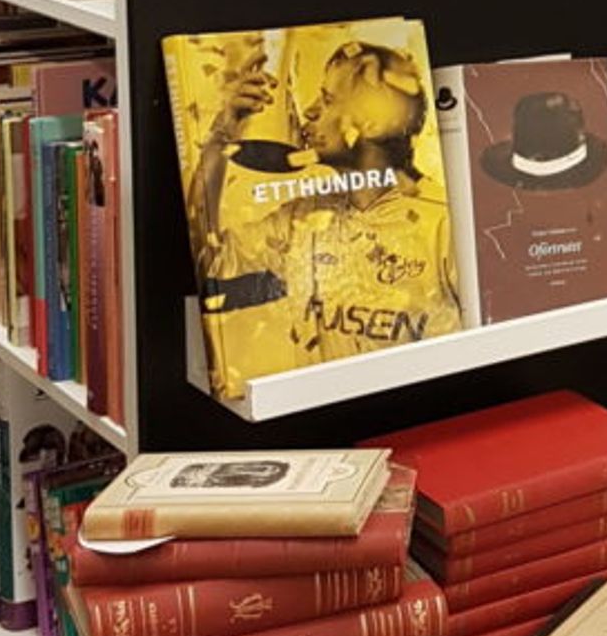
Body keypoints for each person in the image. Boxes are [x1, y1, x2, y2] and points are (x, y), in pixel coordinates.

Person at [185, 36, 461, 390]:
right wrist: (221, 136)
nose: (310, 111)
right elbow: (207, 263)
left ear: (374, 122)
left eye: (328, 100)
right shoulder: (304, 217)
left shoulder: (445, 224)